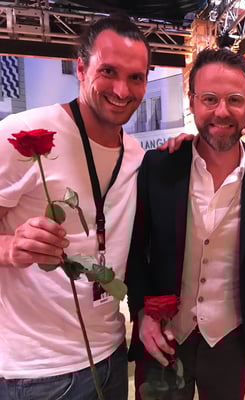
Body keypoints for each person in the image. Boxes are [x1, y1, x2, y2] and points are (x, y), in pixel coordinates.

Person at [0, 15, 149, 399]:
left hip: (111, 355)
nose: (122, 89)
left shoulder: (135, 155)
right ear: (81, 69)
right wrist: (10, 247)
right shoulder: (21, 135)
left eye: (136, 77)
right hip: (37, 374)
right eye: (108, 71)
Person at [125, 48, 245, 400]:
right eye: (210, 99)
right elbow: (134, 251)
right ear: (192, 101)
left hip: (230, 337)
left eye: (234, 100)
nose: (222, 111)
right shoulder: (159, 166)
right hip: (163, 334)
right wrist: (143, 312)